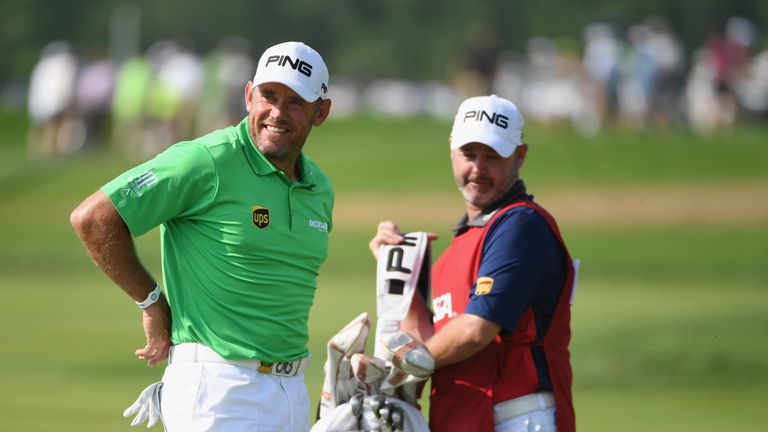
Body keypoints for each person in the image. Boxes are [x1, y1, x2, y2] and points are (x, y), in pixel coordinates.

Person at [70, 41, 333, 431]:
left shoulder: (319, 188)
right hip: (217, 390)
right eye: (268, 96)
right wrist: (152, 302)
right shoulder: (207, 159)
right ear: (248, 96)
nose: (277, 113)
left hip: (292, 391)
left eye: (296, 102)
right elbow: (93, 218)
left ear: (321, 113)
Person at [369, 95, 577, 432]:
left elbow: (475, 330)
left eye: (492, 157)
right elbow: (432, 338)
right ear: (451, 151)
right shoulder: (462, 245)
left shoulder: (519, 225)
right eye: (469, 155)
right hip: (468, 415)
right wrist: (396, 270)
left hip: (515, 415)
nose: (477, 169)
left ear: (519, 156)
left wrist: (396, 371)